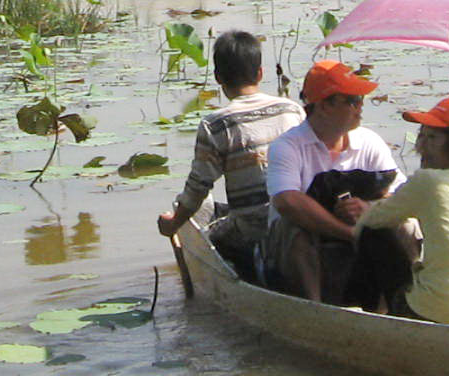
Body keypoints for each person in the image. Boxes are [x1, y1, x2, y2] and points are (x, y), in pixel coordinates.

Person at [342, 95, 449, 327]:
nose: (421, 146)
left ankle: (371, 318)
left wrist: (367, 207)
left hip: (441, 311)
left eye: (432, 137)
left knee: (374, 234)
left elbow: (370, 221)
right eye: (421, 135)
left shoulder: (428, 181)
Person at [260, 60, 405, 302]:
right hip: (302, 247)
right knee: (292, 228)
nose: (360, 108)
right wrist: (350, 233)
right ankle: (315, 309)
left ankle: (401, 304)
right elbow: (287, 201)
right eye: (352, 101)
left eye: (361, 100)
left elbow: (400, 193)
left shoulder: (369, 142)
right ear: (324, 106)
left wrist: (370, 209)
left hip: (358, 235)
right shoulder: (288, 147)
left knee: (405, 225)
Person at [156, 30, 301, 267]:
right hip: (298, 220)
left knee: (209, 233)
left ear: (218, 77)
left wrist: (173, 224)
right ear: (260, 73)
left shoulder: (215, 125)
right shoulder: (291, 110)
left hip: (251, 230)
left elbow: (197, 189)